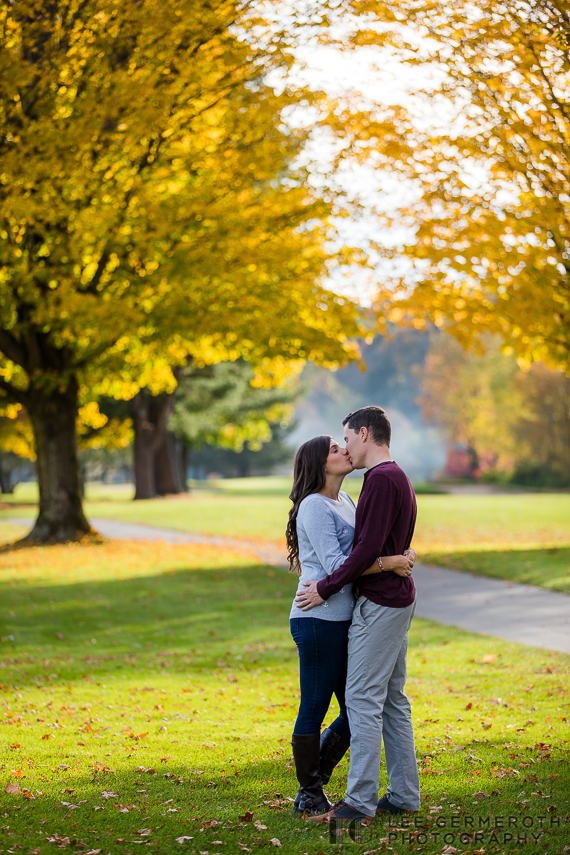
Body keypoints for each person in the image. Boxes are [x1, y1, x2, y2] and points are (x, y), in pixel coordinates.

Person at [295, 406, 420, 823]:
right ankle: (403, 794)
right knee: (391, 701)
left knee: (364, 701)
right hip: (387, 597)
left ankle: (359, 802)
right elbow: (375, 547)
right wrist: (396, 559)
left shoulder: (379, 480)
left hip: (380, 601)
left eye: (346, 438)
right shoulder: (391, 476)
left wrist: (329, 586)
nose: (345, 446)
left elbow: (365, 551)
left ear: (364, 434)